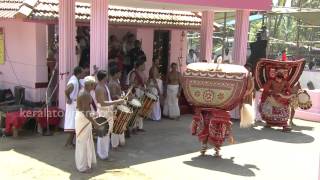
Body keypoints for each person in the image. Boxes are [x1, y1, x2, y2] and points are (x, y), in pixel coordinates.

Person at [95, 70, 124, 160]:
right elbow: (102, 103)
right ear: (104, 78)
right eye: (106, 76)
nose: (108, 77)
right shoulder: (99, 88)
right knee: (103, 133)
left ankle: (104, 153)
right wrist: (116, 102)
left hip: (108, 111)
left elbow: (108, 99)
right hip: (103, 112)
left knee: (106, 134)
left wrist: (114, 105)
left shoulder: (104, 86)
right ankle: (102, 155)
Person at [75, 76, 100, 173]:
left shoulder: (86, 92)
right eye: (93, 85)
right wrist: (95, 123)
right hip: (83, 118)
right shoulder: (85, 94)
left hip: (84, 117)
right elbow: (85, 112)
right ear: (89, 85)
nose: (94, 86)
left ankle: (87, 164)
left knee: (87, 142)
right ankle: (82, 167)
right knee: (82, 143)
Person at [64, 66, 83, 148]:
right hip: (72, 105)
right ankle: (68, 143)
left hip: (75, 104)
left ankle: (69, 143)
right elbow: (67, 90)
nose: (83, 74)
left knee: (74, 124)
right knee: (72, 125)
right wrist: (68, 98)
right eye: (82, 73)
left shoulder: (77, 80)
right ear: (79, 73)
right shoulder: (74, 82)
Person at [108, 63, 126, 149]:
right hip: (115, 106)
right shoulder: (112, 83)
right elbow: (112, 96)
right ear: (115, 74)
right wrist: (120, 97)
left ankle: (120, 141)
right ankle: (114, 144)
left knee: (121, 124)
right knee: (116, 125)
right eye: (119, 73)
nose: (120, 74)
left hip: (119, 104)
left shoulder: (116, 82)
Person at [128, 57, 147, 132]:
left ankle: (140, 127)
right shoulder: (134, 73)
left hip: (142, 92)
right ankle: (133, 127)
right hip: (136, 92)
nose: (145, 66)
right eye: (143, 65)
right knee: (135, 110)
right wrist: (138, 87)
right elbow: (131, 83)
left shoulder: (143, 73)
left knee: (141, 110)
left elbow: (145, 82)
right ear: (140, 65)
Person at [147, 57, 163, 121]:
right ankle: (155, 116)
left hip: (155, 85)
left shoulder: (155, 68)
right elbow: (154, 79)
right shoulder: (153, 68)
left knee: (155, 101)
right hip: (154, 86)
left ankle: (154, 116)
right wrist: (158, 89)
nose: (158, 62)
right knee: (155, 100)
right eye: (156, 61)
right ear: (153, 62)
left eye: (158, 61)